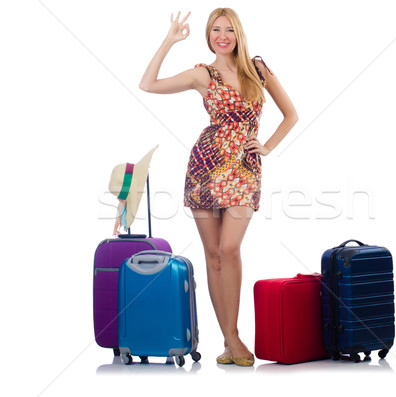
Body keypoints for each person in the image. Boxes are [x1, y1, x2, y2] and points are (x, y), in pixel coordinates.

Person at [139, 8, 298, 366]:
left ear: (238, 34)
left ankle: (234, 338)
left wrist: (267, 146)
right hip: (205, 169)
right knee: (213, 254)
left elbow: (291, 114)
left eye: (228, 29)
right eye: (215, 30)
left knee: (229, 248)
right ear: (208, 35)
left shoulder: (258, 69)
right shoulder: (202, 74)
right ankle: (231, 339)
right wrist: (169, 40)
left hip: (244, 170)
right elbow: (148, 84)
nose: (222, 36)